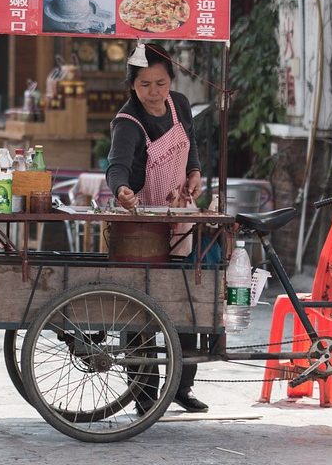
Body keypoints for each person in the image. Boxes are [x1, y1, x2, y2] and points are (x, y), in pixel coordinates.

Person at [105, 44, 207, 414]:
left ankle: (182, 385)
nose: (154, 92)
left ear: (171, 81)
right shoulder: (127, 121)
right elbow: (116, 165)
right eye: (145, 84)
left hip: (179, 217)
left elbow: (190, 144)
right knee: (141, 308)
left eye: (160, 83)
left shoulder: (179, 104)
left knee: (186, 298)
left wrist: (194, 173)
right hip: (142, 226)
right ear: (132, 85)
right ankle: (144, 391)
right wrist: (122, 191)